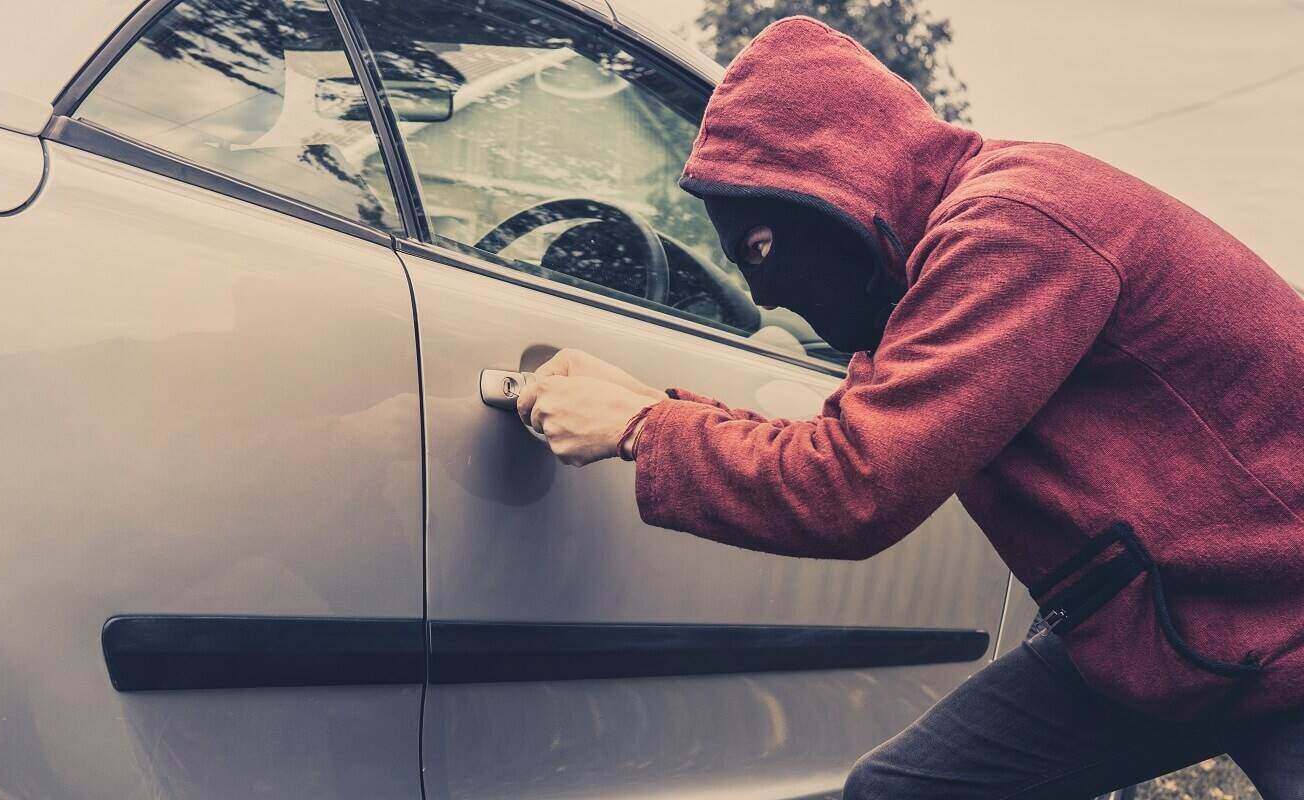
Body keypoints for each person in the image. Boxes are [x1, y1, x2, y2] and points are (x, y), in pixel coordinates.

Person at [513, 15, 1304, 799]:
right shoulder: (948, 254)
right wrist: (655, 408)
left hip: (1281, 617)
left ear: (837, 179)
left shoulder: (1013, 229)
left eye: (759, 248)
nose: (765, 294)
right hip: (1171, 630)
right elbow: (850, 436)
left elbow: (854, 486)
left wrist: (644, 431)